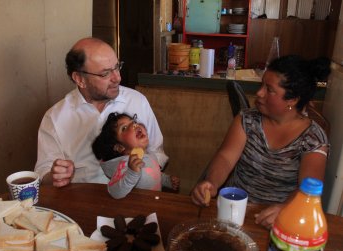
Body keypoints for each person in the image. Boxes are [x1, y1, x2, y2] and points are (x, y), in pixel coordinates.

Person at [191, 55, 331, 229]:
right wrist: (211, 182)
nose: (259, 92)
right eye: (262, 84)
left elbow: (308, 189)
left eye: (269, 89)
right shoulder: (247, 120)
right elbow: (226, 158)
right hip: (233, 210)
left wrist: (286, 209)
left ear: (292, 100)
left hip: (275, 219)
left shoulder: (313, 139)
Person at [35, 37, 168, 187]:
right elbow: (43, 173)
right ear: (79, 79)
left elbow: (157, 153)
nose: (117, 78)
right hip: (83, 201)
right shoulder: (55, 118)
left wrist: (145, 174)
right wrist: (54, 176)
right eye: (105, 74)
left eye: (117, 67)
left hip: (135, 197)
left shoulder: (137, 101)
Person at [92, 112, 180, 199]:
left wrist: (166, 180)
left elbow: (152, 173)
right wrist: (131, 173)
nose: (134, 125)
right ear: (120, 147)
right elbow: (114, 192)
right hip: (135, 211)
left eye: (133, 122)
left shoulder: (150, 155)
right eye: (124, 128)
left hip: (154, 206)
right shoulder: (125, 164)